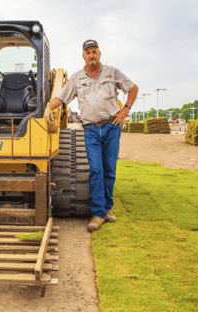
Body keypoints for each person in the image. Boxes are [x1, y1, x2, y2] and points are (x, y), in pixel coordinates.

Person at [44, 40, 139, 232]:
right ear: (83, 56)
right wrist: (48, 107)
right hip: (91, 130)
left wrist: (126, 109)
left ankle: (106, 209)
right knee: (95, 170)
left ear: (99, 54)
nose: (91, 55)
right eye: (87, 53)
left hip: (112, 126)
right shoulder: (77, 78)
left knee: (109, 170)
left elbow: (133, 88)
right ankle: (98, 213)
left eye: (94, 52)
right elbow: (61, 97)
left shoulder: (112, 72)